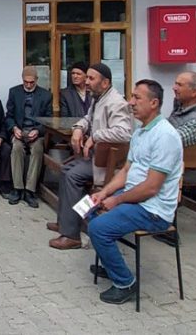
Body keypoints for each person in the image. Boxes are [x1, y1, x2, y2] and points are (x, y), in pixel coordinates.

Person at [86, 79, 183, 305]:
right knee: (90, 207)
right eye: (131, 97)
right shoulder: (140, 132)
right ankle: (112, 265)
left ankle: (125, 282)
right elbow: (126, 170)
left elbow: (151, 187)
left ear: (154, 103)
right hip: (135, 201)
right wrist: (104, 193)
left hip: (153, 210)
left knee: (98, 228)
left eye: (137, 98)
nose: (131, 102)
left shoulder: (165, 136)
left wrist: (117, 200)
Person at [49, 62, 134, 250]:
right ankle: (66, 222)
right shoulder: (98, 98)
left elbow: (124, 133)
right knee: (65, 169)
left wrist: (95, 136)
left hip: (108, 164)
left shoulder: (116, 102)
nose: (86, 82)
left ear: (105, 83)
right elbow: (88, 118)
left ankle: (71, 235)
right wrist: (79, 129)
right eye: (86, 77)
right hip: (96, 157)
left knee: (72, 175)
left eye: (91, 78)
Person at [5, 66, 52, 208]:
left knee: (38, 149)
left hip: (35, 132)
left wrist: (38, 131)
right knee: (16, 148)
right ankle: (17, 188)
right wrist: (14, 128)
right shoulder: (14, 92)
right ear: (22, 80)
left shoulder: (46, 95)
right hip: (19, 130)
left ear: (36, 80)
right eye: (26, 82)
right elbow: (9, 116)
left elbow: (49, 120)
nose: (29, 85)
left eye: (32, 82)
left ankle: (30, 190)